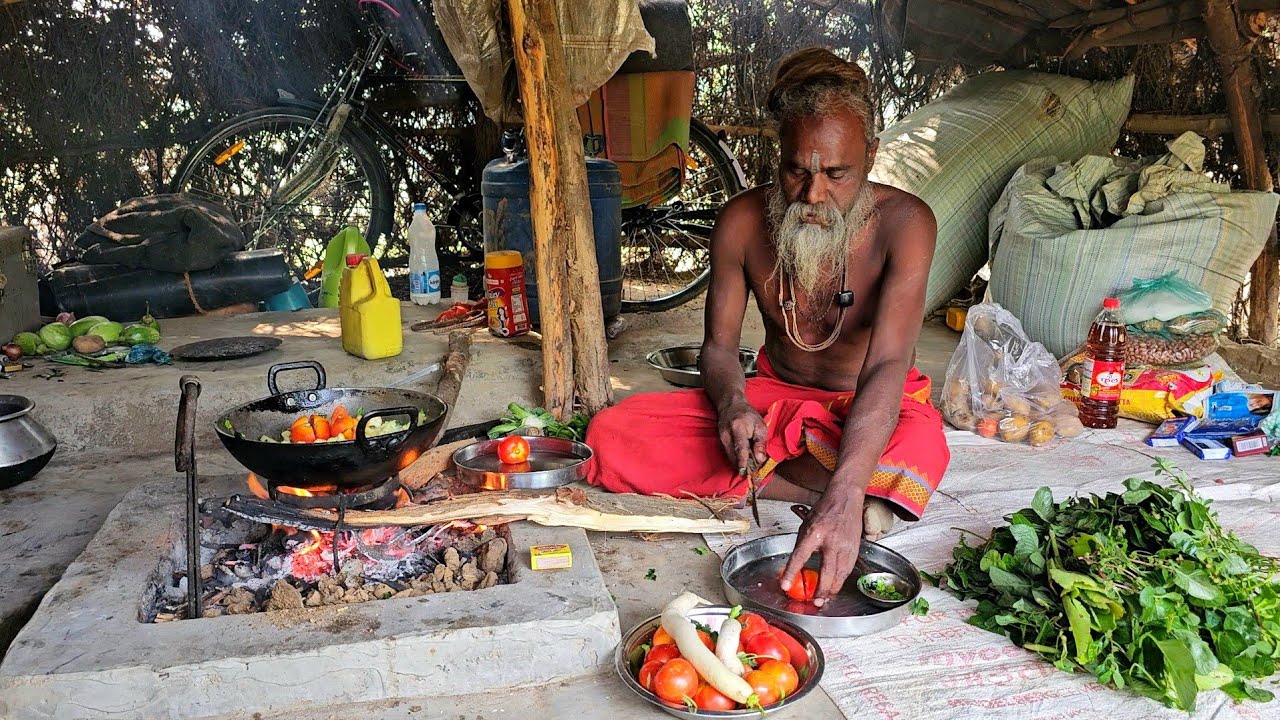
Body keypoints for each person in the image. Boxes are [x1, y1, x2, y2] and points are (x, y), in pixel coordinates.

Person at [586, 48, 950, 605]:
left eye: (836, 174)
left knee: (920, 437)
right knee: (612, 433)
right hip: (771, 403)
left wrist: (842, 490)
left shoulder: (906, 225)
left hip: (869, 404)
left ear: (871, 156)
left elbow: (886, 366)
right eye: (797, 171)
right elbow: (718, 348)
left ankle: (832, 485)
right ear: (775, 154)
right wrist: (733, 405)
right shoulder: (740, 221)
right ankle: (851, 488)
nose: (812, 195)